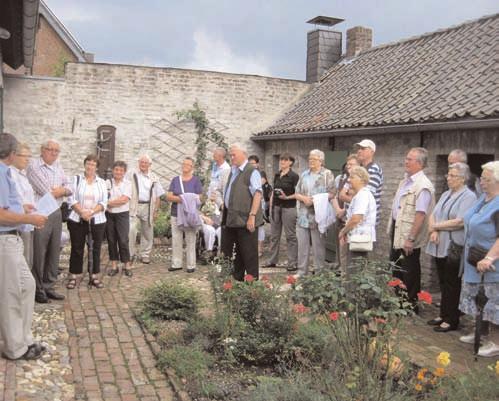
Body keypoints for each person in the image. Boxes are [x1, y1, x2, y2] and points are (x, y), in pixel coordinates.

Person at [0, 133, 48, 360]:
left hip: (12, 239)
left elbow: (7, 206)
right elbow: (0, 215)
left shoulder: (6, 172)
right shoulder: (0, 173)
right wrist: (29, 219)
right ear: (11, 154)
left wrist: (23, 209)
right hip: (4, 240)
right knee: (10, 294)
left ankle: (23, 337)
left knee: (27, 285)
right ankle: (14, 348)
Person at [425, 163, 477, 332]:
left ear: (462, 179)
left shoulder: (468, 197)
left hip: (454, 246)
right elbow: (433, 213)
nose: (448, 178)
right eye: (448, 175)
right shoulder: (446, 194)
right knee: (442, 281)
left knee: (452, 283)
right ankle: (443, 313)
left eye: (453, 175)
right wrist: (433, 229)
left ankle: (451, 319)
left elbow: (460, 221)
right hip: (439, 244)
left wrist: (436, 227)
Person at [458, 161, 499, 357]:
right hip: (474, 258)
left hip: (491, 263)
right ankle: (480, 333)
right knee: (477, 297)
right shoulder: (484, 199)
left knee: (494, 302)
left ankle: (495, 342)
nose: (481, 182)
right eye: (481, 178)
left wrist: (490, 257)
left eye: (486, 179)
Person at [388, 147, 435, 311]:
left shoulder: (422, 186)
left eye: (410, 159)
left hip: (408, 233)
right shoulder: (406, 181)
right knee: (396, 267)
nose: (406, 161)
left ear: (420, 163)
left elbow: (421, 214)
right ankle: (399, 302)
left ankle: (410, 305)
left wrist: (411, 238)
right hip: (398, 228)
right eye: (406, 158)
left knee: (409, 270)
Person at [26, 138, 70, 303]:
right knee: (39, 251)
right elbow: (46, 191)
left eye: (56, 150)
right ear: (42, 150)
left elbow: (70, 186)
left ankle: (49, 285)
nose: (53, 153)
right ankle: (38, 288)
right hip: (41, 212)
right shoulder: (33, 166)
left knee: (53, 250)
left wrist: (63, 189)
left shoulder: (58, 166)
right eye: (50, 149)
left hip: (56, 211)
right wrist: (61, 190)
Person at [221, 143, 263, 281]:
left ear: (243, 154)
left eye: (234, 155)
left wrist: (252, 216)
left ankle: (252, 284)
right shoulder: (234, 170)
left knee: (249, 254)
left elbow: (257, 194)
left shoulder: (252, 171)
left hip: (246, 219)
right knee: (236, 252)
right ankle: (237, 280)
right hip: (232, 218)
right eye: (230, 155)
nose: (231, 157)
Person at [66, 155, 108, 289]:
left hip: (97, 219)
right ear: (84, 165)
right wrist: (82, 212)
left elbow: (104, 201)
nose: (90, 167)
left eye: (93, 164)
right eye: (88, 164)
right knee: (77, 248)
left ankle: (94, 275)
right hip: (77, 218)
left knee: (95, 248)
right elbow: (71, 199)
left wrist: (91, 212)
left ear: (96, 167)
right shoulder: (76, 179)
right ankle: (74, 275)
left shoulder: (102, 182)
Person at [294, 149, 335, 277]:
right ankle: (302, 271)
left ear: (321, 161)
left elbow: (333, 193)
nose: (310, 161)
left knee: (318, 247)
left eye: (314, 159)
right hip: (303, 216)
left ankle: (319, 272)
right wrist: (304, 199)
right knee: (302, 246)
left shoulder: (327, 174)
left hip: (318, 216)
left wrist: (315, 200)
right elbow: (297, 192)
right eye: (310, 159)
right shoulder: (304, 174)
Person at [166, 157, 203, 273]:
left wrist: (184, 199)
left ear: (192, 167)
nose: (185, 166)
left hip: (190, 215)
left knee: (190, 239)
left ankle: (191, 265)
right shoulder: (175, 180)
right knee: (176, 239)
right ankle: (176, 263)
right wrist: (184, 198)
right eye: (184, 164)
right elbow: (169, 196)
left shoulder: (196, 181)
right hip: (175, 213)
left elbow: (200, 197)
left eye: (188, 165)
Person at [128, 155, 165, 264]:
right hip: (134, 205)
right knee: (131, 229)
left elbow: (158, 195)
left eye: (145, 163)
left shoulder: (154, 177)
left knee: (147, 231)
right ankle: (130, 254)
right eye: (141, 162)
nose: (143, 164)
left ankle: (145, 254)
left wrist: (156, 211)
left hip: (148, 206)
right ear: (138, 163)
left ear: (150, 165)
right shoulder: (131, 174)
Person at [265, 153, 299, 271]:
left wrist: (287, 197)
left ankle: (292, 262)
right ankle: (272, 260)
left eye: (285, 160)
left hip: (289, 207)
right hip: (276, 207)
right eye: (281, 160)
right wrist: (270, 204)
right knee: (274, 236)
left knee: (290, 236)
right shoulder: (277, 174)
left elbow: (298, 193)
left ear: (291, 162)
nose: (282, 162)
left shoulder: (294, 176)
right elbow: (274, 191)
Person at [338, 166, 377, 270]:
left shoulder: (363, 195)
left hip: (360, 240)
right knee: (355, 270)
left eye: (352, 177)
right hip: (357, 238)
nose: (349, 180)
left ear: (361, 179)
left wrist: (343, 231)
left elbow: (356, 218)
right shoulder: (360, 195)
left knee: (356, 271)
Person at [10, 143, 36, 268]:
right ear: (14, 156)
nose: (27, 159)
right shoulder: (10, 174)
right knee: (22, 265)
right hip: (19, 225)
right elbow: (17, 200)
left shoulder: (23, 175)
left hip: (29, 224)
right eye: (24, 156)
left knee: (28, 262)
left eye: (29, 156)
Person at [332, 154, 360, 270]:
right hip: (340, 216)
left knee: (350, 252)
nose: (348, 166)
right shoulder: (341, 179)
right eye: (347, 164)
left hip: (350, 218)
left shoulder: (358, 182)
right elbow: (334, 195)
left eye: (352, 164)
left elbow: (357, 201)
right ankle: (340, 269)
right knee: (340, 247)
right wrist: (338, 209)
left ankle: (347, 275)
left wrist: (345, 210)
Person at [106, 161, 133, 277]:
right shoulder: (107, 183)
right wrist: (110, 203)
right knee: (111, 240)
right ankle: (114, 266)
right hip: (109, 215)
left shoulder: (128, 184)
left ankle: (127, 265)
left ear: (124, 172)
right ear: (113, 170)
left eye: (121, 170)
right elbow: (102, 199)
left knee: (123, 240)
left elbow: (124, 200)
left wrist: (108, 203)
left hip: (122, 214)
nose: (118, 172)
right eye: (116, 169)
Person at [355, 139, 383, 226]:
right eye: (359, 148)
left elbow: (366, 196)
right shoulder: (358, 169)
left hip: (366, 221)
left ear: (372, 152)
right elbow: (343, 194)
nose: (359, 151)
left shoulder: (373, 169)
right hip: (356, 219)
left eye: (363, 148)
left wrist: (350, 193)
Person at [248, 155, 268, 257]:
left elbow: (261, 182)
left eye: (253, 163)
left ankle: (259, 248)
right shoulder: (247, 173)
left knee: (259, 225)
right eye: (250, 163)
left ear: (257, 164)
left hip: (260, 201)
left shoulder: (260, 173)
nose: (251, 165)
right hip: (249, 202)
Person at [200, 192, 222, 260]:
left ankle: (220, 251)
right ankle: (209, 251)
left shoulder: (219, 205)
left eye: (215, 194)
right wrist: (205, 218)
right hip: (207, 223)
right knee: (211, 230)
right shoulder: (205, 203)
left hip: (217, 225)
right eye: (212, 193)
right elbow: (199, 213)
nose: (213, 195)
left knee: (222, 230)